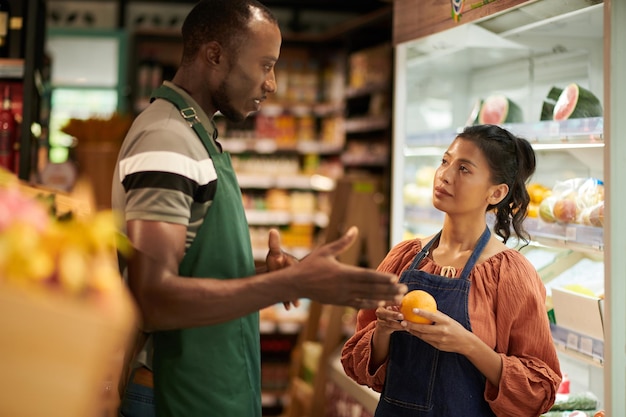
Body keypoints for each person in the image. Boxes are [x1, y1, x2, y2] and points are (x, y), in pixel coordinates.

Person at [111, 1, 407, 416]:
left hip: (200, 386)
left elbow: (188, 270)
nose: (271, 83)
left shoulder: (194, 134)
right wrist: (286, 286)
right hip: (172, 394)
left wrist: (270, 273)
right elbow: (154, 297)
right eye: (266, 65)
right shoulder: (167, 140)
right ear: (214, 55)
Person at [341, 124, 562, 416]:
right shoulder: (403, 258)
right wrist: (382, 331)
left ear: (496, 193)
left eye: (464, 169)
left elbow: (539, 388)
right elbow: (359, 362)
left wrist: (467, 344)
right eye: (445, 161)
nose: (444, 175)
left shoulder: (510, 274)